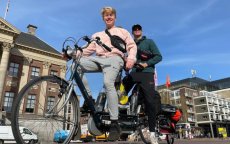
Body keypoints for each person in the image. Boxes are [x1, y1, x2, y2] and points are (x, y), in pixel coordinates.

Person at [77, 7, 137, 141]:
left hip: (115, 59)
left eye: (111, 15)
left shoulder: (122, 31)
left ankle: (114, 124)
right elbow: (86, 50)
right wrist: (71, 55)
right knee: (76, 65)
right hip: (99, 59)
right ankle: (89, 100)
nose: (108, 17)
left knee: (107, 82)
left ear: (115, 17)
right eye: (106, 15)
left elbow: (132, 46)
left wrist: (131, 59)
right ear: (103, 18)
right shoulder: (97, 35)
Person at [122, 24, 162, 144]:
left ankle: (152, 133)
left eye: (139, 29)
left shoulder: (149, 42)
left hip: (146, 73)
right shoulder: (130, 45)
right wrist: (126, 66)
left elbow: (159, 56)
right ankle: (129, 126)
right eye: (135, 29)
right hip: (134, 73)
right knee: (120, 89)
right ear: (132, 32)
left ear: (142, 31)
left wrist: (147, 63)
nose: (137, 30)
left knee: (150, 102)